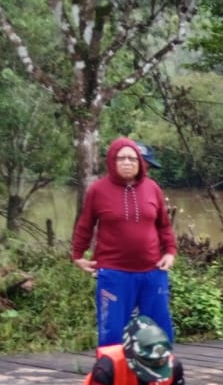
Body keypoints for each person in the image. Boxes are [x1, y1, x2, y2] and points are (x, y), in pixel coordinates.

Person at [71, 137, 178, 348]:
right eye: (121, 158)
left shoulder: (152, 188)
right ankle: (113, 377)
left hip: (153, 271)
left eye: (132, 158)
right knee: (112, 331)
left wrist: (170, 252)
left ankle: (160, 379)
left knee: (158, 330)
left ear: (140, 162)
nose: (127, 163)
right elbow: (85, 225)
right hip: (114, 274)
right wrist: (77, 255)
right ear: (112, 161)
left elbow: (164, 226)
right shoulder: (98, 190)